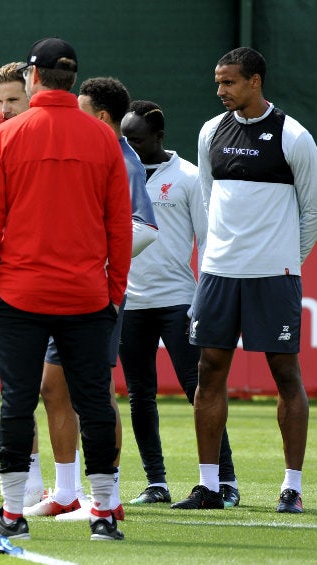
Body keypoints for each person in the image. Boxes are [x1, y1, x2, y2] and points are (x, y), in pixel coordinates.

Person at [0, 38, 131, 542]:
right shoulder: (104, 138)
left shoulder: (8, 135)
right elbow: (119, 229)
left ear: (33, 77)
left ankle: (12, 513)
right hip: (87, 296)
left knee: (17, 403)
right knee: (95, 404)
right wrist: (112, 292)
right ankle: (104, 513)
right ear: (73, 77)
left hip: (19, 295)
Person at [178, 47, 317, 513]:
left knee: (284, 374)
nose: (221, 91)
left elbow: (311, 211)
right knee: (209, 371)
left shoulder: (294, 137)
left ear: (255, 81)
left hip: (273, 277)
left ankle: (292, 487)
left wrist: (285, 263)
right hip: (218, 275)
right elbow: (208, 198)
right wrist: (219, 258)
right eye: (218, 82)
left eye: (229, 82)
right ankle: (208, 486)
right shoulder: (210, 131)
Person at [24, 77, 157, 523]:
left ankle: (107, 499)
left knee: (95, 392)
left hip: (93, 293)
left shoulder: (123, 158)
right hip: (61, 289)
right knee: (52, 386)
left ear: (101, 117)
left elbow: (145, 227)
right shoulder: (86, 151)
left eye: (79, 109)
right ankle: (66, 493)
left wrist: (91, 255)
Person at [119, 100, 238, 506]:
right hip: (129, 303)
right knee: (139, 395)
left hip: (177, 301)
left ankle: (226, 481)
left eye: (136, 139)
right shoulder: (116, 173)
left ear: (159, 137)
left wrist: (204, 294)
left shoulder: (188, 177)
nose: (129, 146)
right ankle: (156, 482)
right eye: (125, 139)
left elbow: (206, 240)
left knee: (199, 391)